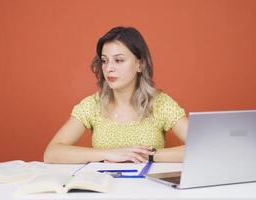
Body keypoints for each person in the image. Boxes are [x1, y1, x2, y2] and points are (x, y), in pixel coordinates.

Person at [44, 26, 188, 164]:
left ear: (140, 64)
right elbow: (52, 153)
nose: (109, 68)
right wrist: (110, 153)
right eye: (105, 61)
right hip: (105, 186)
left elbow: (204, 147)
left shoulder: (160, 104)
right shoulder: (92, 105)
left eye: (119, 60)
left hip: (147, 187)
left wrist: (149, 155)